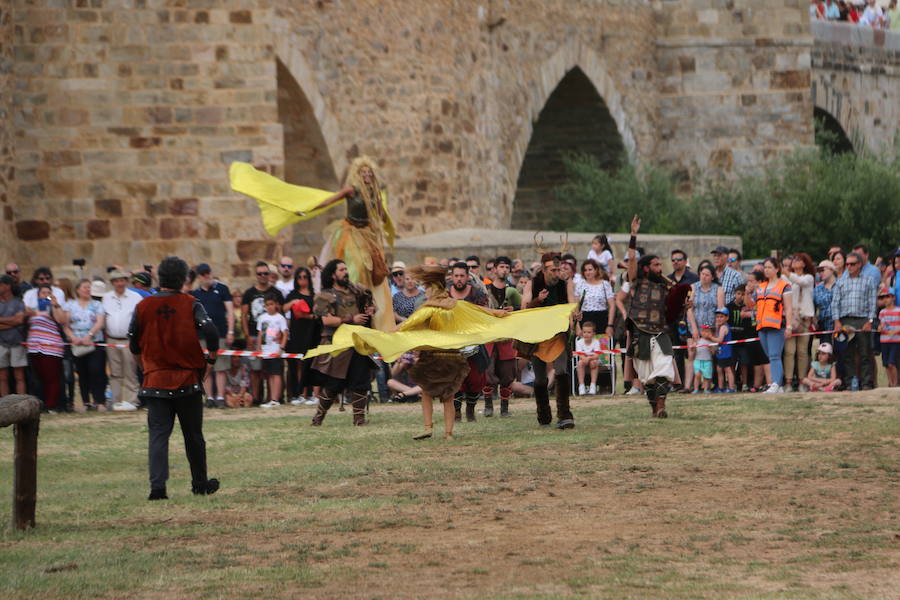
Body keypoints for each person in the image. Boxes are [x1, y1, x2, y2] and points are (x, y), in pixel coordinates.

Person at [304, 264, 574, 439]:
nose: (427, 290)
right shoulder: (451, 305)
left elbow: (409, 325)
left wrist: (387, 337)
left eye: (429, 287)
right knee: (445, 395)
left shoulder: (434, 307)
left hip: (437, 358)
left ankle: (431, 429)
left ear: (432, 288)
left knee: (430, 394)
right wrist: (498, 313)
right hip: (447, 357)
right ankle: (444, 432)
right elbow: (479, 311)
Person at [128, 256, 220, 501]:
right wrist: (210, 361)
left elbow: (133, 341)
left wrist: (146, 367)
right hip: (187, 380)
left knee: (158, 435)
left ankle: (157, 489)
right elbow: (211, 331)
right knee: (193, 435)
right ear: (182, 279)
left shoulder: (143, 306)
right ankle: (200, 484)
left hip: (155, 381)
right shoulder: (190, 303)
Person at [309, 259, 376, 426]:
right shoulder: (325, 295)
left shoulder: (355, 290)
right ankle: (318, 418)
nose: (345, 272)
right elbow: (326, 320)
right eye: (341, 270)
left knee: (360, 381)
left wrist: (370, 308)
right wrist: (351, 319)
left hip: (356, 341)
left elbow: (369, 297)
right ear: (333, 275)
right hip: (337, 344)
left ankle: (359, 420)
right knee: (334, 384)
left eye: (346, 269)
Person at [522, 252, 578, 428]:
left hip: (558, 334)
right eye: (553, 269)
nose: (557, 272)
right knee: (539, 379)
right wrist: (538, 300)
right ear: (544, 269)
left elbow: (571, 305)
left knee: (561, 372)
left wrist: (575, 318)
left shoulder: (565, 284)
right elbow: (524, 308)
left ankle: (564, 415)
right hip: (537, 335)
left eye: (558, 269)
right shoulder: (533, 284)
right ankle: (544, 416)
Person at [481, 256, 521, 417]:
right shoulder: (484, 290)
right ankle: (488, 406)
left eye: (506, 267)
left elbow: (522, 309)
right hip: (489, 337)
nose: (504, 270)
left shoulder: (512, 291)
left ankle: (504, 409)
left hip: (506, 337)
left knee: (507, 373)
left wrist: (514, 311)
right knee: (487, 372)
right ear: (494, 269)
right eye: (501, 267)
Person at [831, 251, 877, 390]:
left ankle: (866, 383)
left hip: (862, 320)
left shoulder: (868, 281)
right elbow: (835, 303)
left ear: (860, 265)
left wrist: (869, 321)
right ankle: (851, 382)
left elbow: (872, 303)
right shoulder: (840, 282)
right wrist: (837, 322)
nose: (849, 266)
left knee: (865, 353)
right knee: (847, 354)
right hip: (845, 321)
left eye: (852, 264)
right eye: (847, 264)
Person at [190, 263, 234, 408]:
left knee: (220, 367)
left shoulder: (222, 289)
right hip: (202, 335)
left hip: (220, 333)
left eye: (207, 273)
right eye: (202, 274)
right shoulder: (195, 294)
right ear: (199, 276)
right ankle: (209, 397)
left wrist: (231, 331)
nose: (206, 276)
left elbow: (230, 312)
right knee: (205, 367)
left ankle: (220, 397)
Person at [242, 261, 284, 403]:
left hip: (273, 338)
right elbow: (244, 316)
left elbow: (283, 314)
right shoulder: (249, 293)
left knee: (272, 369)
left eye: (265, 273)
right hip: (255, 334)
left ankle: (274, 398)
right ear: (256, 275)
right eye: (260, 273)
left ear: (269, 274)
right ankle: (255, 397)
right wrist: (247, 336)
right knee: (255, 369)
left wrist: (282, 335)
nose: (263, 276)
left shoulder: (276, 292)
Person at [102, 270, 143, 411]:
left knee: (130, 371)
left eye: (122, 280)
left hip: (128, 340)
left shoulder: (135, 297)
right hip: (112, 340)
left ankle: (132, 401)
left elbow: (141, 318)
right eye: (116, 281)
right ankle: (115, 401)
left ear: (126, 281)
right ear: (112, 283)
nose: (120, 283)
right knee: (115, 372)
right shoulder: (106, 297)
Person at [64, 279, 108, 410]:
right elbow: (66, 325)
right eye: (85, 287)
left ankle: (99, 400)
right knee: (82, 372)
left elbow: (99, 322)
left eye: (90, 287)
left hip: (94, 342)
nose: (88, 290)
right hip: (77, 343)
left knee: (96, 371)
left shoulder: (97, 305)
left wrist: (89, 335)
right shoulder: (70, 305)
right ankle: (85, 401)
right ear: (78, 289)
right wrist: (73, 338)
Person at [754, 257, 793, 393]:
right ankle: (779, 386)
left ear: (777, 269)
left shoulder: (784, 286)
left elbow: (788, 308)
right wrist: (747, 292)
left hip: (777, 326)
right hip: (762, 326)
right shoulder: (761, 287)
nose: (767, 270)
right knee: (770, 356)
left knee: (775, 356)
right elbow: (752, 305)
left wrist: (789, 326)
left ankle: (776, 383)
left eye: (770, 267)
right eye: (765, 267)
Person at [25, 284, 67, 411]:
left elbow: (62, 320)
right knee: (39, 378)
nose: (46, 295)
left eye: (48, 292)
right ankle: (42, 403)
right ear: (38, 295)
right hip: (34, 347)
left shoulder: (54, 308)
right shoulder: (32, 309)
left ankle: (51, 405)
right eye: (43, 292)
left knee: (52, 378)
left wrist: (55, 304)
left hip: (51, 347)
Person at [284, 266, 321, 406]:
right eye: (299, 277)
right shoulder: (293, 294)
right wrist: (293, 302)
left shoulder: (314, 294)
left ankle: (313, 394)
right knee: (299, 364)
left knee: (313, 363)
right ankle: (301, 393)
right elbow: (283, 308)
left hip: (312, 331)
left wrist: (308, 316)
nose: (302, 279)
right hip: (297, 332)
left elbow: (318, 312)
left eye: (305, 276)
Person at [784, 253, 815, 391]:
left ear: (804, 263)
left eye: (799, 260)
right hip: (791, 318)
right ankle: (789, 382)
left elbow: (800, 282)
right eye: (794, 260)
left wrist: (786, 273)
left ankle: (802, 381)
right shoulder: (784, 278)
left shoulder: (809, 277)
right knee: (789, 352)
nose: (795, 262)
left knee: (803, 352)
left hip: (805, 319)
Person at [257, 291, 288, 408]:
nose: (269, 307)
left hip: (275, 350)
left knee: (277, 374)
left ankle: (276, 398)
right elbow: (260, 333)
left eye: (271, 304)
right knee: (269, 375)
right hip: (266, 351)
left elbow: (285, 333)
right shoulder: (262, 318)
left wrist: (281, 348)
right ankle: (271, 398)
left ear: (276, 305)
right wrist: (259, 347)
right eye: (267, 305)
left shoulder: (280, 318)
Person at [0, 275, 28, 396]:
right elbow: (15, 321)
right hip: (1, 343)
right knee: (2, 377)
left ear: (8, 286)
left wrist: (2, 321)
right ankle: (5, 405)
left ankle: (22, 403)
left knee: (19, 376)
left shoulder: (18, 302)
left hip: (17, 342)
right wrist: (13, 322)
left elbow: (20, 320)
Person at [576, 258, 615, 339]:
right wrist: (577, 326)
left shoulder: (605, 284)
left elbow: (612, 306)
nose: (587, 272)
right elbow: (576, 307)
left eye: (590, 269)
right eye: (585, 270)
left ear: (596, 270)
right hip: (585, 320)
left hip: (602, 318)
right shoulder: (580, 285)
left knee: (602, 347)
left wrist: (610, 325)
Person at [877, 286, 899, 387]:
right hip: (884, 340)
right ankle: (890, 383)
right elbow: (882, 324)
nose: (885, 299)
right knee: (886, 364)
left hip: (895, 340)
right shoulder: (882, 312)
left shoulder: (898, 310)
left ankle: (895, 383)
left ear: (893, 297)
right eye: (883, 297)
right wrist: (880, 328)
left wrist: (896, 331)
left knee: (892, 363)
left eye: (887, 297)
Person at [709, 307, 736, 393]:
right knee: (719, 369)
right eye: (717, 317)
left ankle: (731, 388)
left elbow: (720, 340)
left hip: (726, 352)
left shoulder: (724, 327)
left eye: (721, 317)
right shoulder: (720, 327)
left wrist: (710, 337)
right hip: (721, 352)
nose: (719, 319)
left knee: (727, 370)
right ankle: (720, 388)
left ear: (727, 318)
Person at [575, 321, 602, 395]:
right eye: (584, 332)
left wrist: (589, 359)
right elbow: (580, 354)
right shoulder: (579, 342)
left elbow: (596, 355)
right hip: (583, 360)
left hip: (594, 360)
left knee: (593, 363)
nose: (586, 334)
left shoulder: (596, 342)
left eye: (589, 332)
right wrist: (585, 359)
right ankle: (581, 386)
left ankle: (593, 385)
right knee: (580, 363)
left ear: (593, 334)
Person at [692, 327, 715, 393]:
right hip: (698, 360)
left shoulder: (711, 342)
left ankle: (706, 389)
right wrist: (692, 347)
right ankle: (696, 389)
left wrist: (711, 348)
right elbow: (692, 350)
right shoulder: (698, 341)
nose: (705, 333)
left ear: (711, 333)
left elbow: (713, 352)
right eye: (704, 331)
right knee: (697, 375)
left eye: (708, 332)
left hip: (707, 361)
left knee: (706, 376)